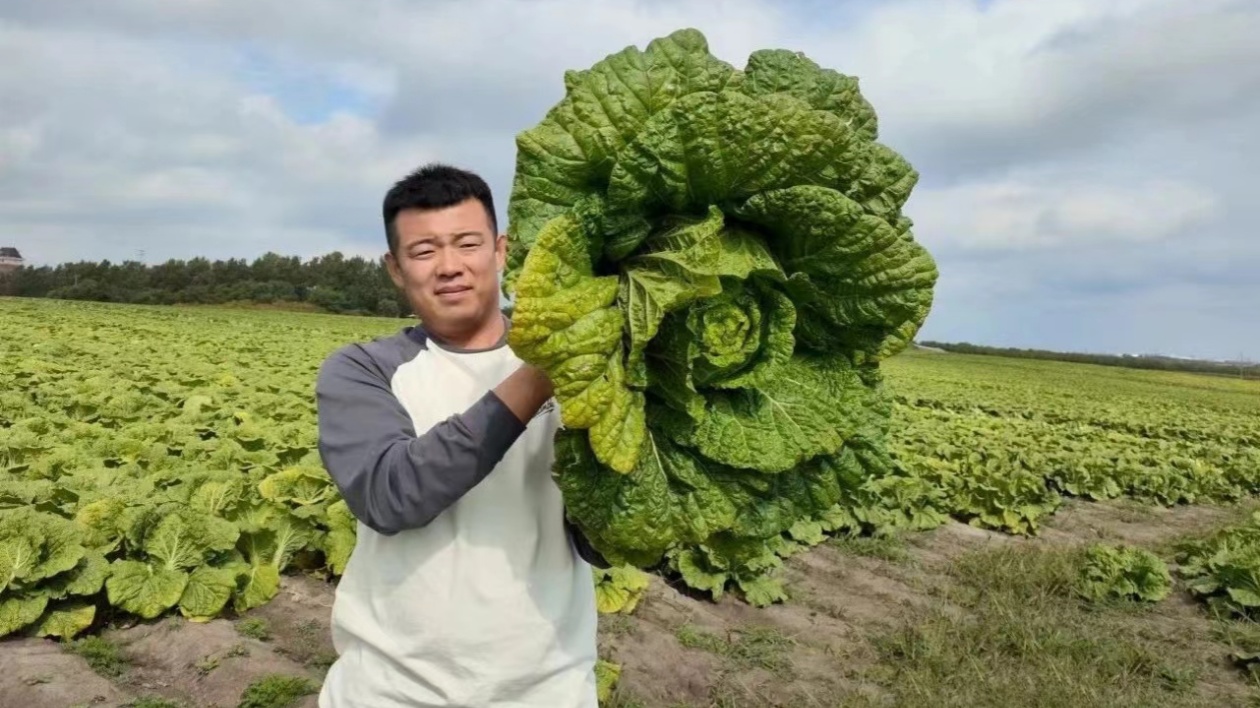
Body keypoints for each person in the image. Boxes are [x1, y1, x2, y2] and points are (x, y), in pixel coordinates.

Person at [314, 164, 604, 708]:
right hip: (389, 689)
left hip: (547, 688)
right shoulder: (363, 370)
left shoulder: (589, 367)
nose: (449, 266)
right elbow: (392, 494)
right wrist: (543, 371)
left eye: (467, 243)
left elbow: (605, 538)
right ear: (395, 268)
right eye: (423, 252)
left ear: (500, 251)